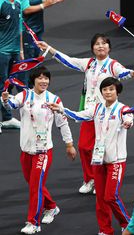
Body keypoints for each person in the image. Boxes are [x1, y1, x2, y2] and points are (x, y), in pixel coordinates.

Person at [36, 34, 134, 195]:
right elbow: (68, 60)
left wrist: (133, 73)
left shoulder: (112, 65)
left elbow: (123, 73)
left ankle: (100, 180)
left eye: (104, 43)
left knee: (103, 147)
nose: (100, 46)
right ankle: (90, 179)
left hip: (107, 113)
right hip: (90, 112)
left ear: (109, 47)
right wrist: (49, 49)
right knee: (83, 147)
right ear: (92, 48)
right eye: (97, 44)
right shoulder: (89, 64)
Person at [48, 77, 134, 234]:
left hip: (116, 161)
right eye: (105, 89)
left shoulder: (123, 109)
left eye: (111, 89)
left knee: (110, 196)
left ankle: (128, 223)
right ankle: (105, 229)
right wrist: (61, 109)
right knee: (101, 199)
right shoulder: (96, 108)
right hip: (98, 160)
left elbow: (129, 119)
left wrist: (128, 123)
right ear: (101, 92)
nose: (108, 92)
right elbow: (78, 115)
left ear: (118, 91)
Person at [2, 66, 77, 234]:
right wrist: (6, 100)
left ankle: (33, 223)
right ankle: (51, 207)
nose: (44, 81)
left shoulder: (54, 100)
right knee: (34, 184)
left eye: (46, 78)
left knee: (35, 186)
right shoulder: (24, 95)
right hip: (25, 150)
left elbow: (62, 123)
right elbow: (12, 105)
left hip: (43, 151)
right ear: (33, 80)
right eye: (40, 78)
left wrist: (69, 144)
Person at [0, 0, 25, 131]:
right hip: (2, 52)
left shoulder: (18, 4)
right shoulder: (1, 4)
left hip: (16, 52)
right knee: (0, 86)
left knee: (9, 87)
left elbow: (20, 28)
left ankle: (7, 118)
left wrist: (21, 49)